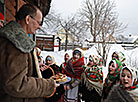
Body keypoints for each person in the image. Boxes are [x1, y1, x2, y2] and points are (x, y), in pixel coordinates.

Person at [0, 4, 59, 102]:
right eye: (39, 23)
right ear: (27, 19)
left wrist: (34, 68)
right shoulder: (17, 43)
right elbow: (16, 84)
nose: (39, 27)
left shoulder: (12, 39)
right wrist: (49, 85)